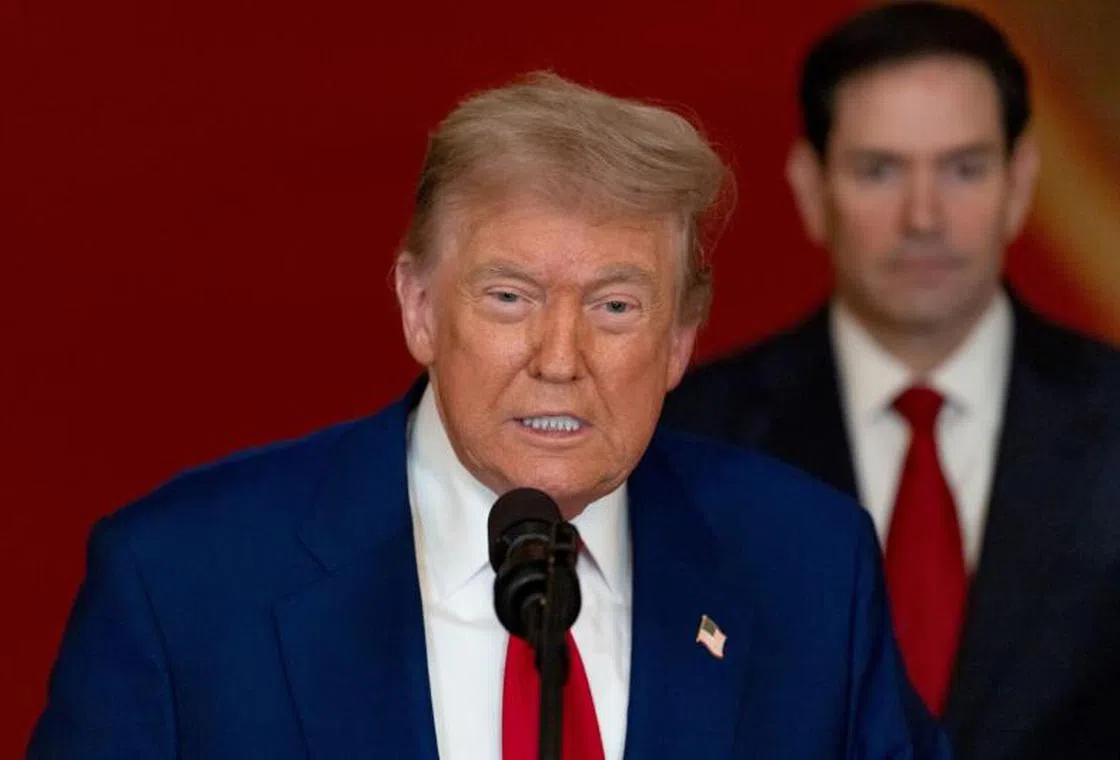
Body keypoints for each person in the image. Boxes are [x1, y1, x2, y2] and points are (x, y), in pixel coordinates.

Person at [29, 72, 948, 759]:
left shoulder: (808, 567)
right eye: (509, 298)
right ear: (419, 307)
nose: (559, 357)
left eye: (616, 306)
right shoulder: (182, 585)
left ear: (679, 342)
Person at [662, 3, 1120, 759]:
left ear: (1020, 183)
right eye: (879, 169)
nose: (924, 216)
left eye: (964, 169)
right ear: (811, 187)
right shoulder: (693, 443)